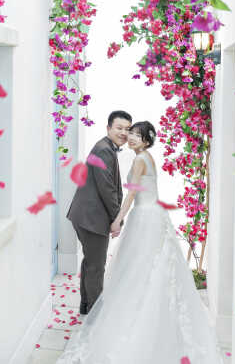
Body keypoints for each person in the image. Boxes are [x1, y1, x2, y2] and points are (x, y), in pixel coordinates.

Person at [59, 121, 223, 364]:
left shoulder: (138, 160)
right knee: (150, 268)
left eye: (138, 135)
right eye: (131, 133)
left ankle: (137, 320)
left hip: (144, 217)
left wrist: (117, 220)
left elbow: (132, 195)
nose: (132, 137)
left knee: (138, 269)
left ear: (147, 140)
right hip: (155, 216)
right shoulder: (148, 158)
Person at [66, 110, 131, 315]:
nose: (123, 133)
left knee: (90, 261)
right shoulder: (104, 150)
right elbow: (107, 188)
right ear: (108, 128)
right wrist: (117, 219)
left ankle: (86, 307)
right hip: (91, 218)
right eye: (119, 128)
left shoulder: (106, 148)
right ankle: (95, 315)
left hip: (86, 215)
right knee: (96, 266)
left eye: (127, 129)